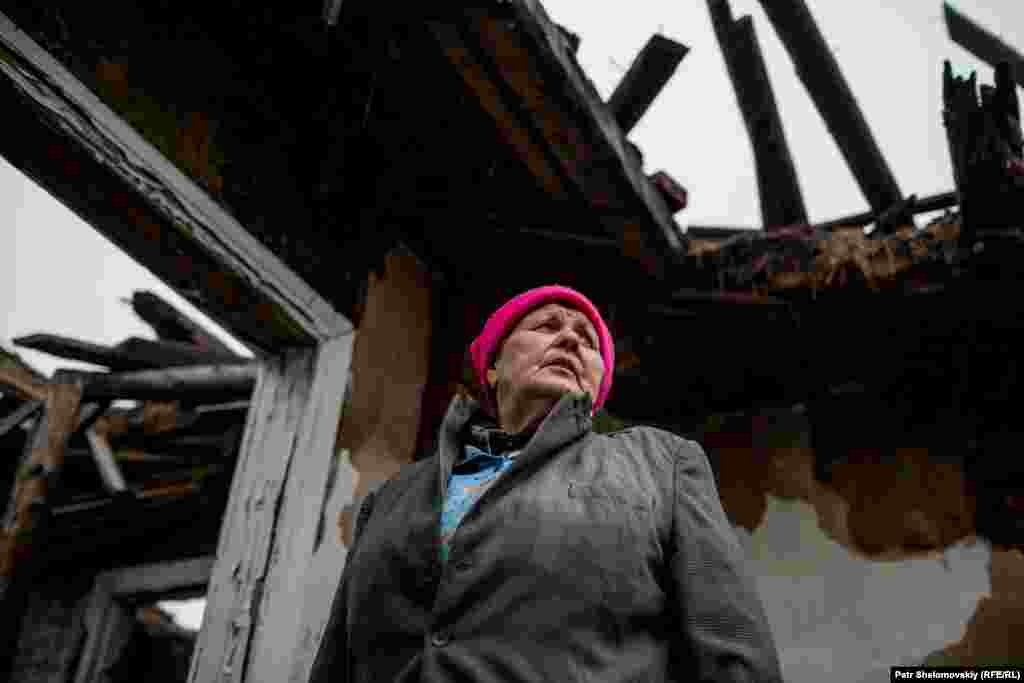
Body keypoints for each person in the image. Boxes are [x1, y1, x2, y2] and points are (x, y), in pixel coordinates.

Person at [311, 285, 782, 682]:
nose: (571, 341)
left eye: (588, 340)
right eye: (546, 327)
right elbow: (336, 663)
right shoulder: (392, 498)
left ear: (598, 385)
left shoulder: (661, 466)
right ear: (492, 366)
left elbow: (735, 655)